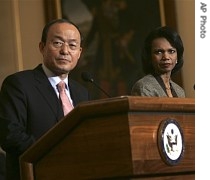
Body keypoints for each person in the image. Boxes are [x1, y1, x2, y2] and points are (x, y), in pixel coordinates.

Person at [0, 18, 90, 180]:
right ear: (42, 47)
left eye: (72, 45)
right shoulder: (19, 84)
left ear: (79, 53)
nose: (65, 51)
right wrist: (55, 155)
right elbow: (10, 135)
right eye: (57, 43)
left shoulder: (81, 92)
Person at [131, 26, 185, 97]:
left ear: (178, 56)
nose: (166, 57)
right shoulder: (144, 87)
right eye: (159, 52)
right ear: (149, 56)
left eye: (171, 51)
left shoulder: (180, 91)